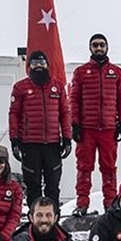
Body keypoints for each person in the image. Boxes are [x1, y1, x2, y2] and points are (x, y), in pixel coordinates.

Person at [69, 33, 121, 216]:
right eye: (95, 45)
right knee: (84, 167)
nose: (99, 48)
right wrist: (75, 124)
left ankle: (110, 204)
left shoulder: (117, 72)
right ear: (90, 48)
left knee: (109, 168)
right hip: (87, 129)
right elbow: (74, 99)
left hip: (108, 129)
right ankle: (82, 203)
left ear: (107, 47)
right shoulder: (80, 72)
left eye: (102, 45)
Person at [9, 49, 72, 211]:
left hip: (52, 144)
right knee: (33, 185)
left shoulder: (58, 87)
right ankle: (34, 218)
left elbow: (65, 113)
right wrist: (14, 140)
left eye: (42, 63)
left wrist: (67, 138)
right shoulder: (20, 87)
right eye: (34, 63)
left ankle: (53, 217)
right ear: (29, 66)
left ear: (47, 65)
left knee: (53, 185)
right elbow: (14, 114)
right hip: (30, 144)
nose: (38, 66)